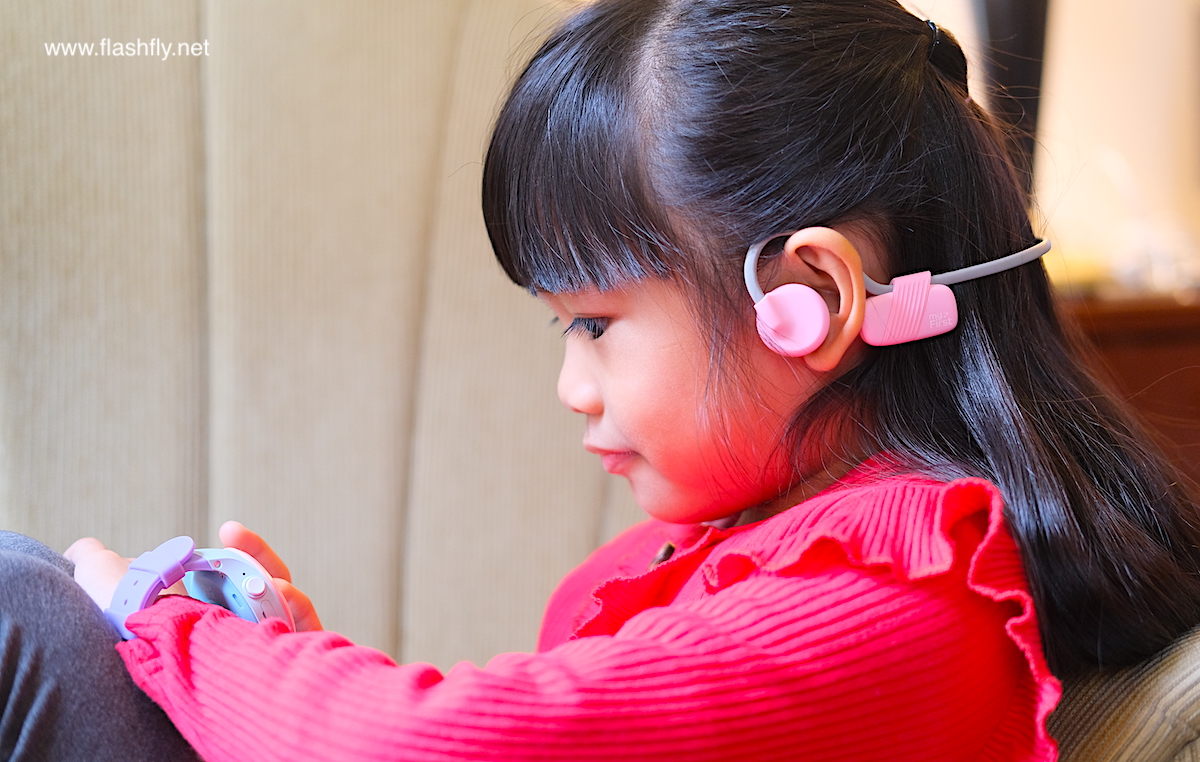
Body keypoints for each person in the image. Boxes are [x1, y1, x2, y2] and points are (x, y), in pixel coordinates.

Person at [5, 0, 1200, 759]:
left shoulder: (899, 608)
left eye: (593, 324)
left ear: (812, 300)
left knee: (27, 607)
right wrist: (285, 672)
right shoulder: (756, 553)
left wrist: (167, 622)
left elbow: (435, 749)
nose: (573, 387)